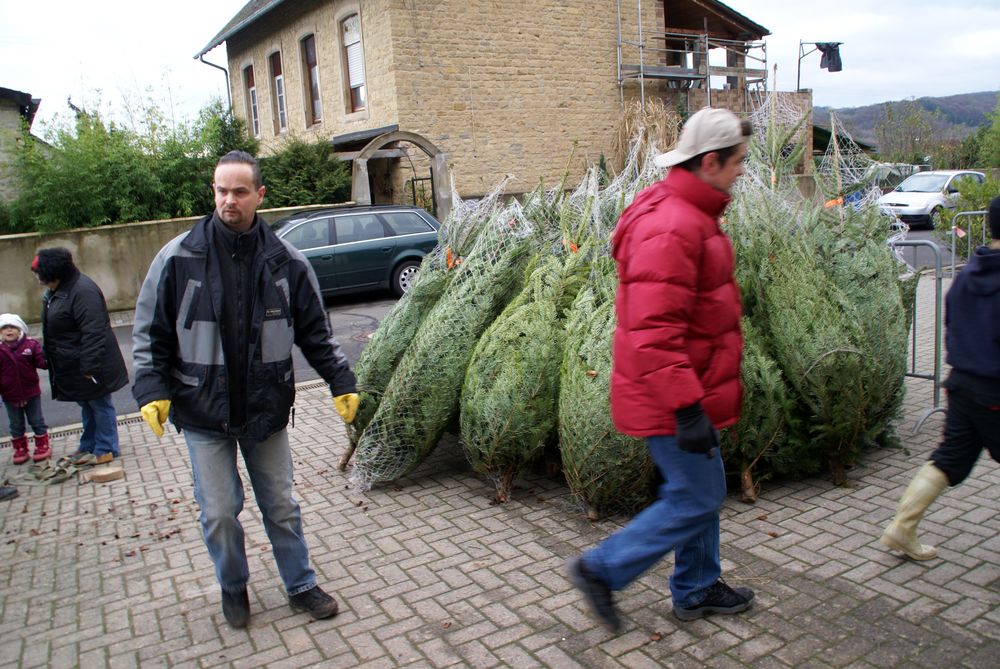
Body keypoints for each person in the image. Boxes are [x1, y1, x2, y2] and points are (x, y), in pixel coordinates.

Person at [132, 150, 361, 630]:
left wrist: (341, 380)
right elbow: (150, 332)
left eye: (239, 191)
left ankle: (300, 584)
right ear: (212, 192)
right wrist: (150, 388)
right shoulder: (178, 258)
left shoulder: (287, 262)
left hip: (265, 408)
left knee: (280, 504)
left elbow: (315, 333)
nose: (228, 201)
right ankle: (233, 587)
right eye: (221, 191)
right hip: (201, 409)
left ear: (260, 195)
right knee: (219, 512)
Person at [567, 107, 755, 632]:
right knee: (697, 495)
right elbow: (653, 330)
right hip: (674, 395)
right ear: (711, 161)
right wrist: (688, 405)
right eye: (738, 161)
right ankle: (600, 569)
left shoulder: (687, 211)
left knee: (700, 493)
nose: (743, 170)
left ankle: (696, 588)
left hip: (689, 389)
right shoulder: (672, 225)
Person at [881, 194, 1000, 560]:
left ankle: (901, 528)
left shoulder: (967, 275)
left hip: (961, 384)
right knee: (952, 458)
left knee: (950, 459)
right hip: (994, 390)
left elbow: (950, 327)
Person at [31, 248, 128, 466]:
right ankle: (89, 444)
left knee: (99, 404)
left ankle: (106, 447)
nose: (36, 277)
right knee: (87, 404)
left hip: (90, 363)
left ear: (52, 272)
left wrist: (90, 366)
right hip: (73, 363)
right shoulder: (55, 291)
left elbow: (94, 331)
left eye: (38, 273)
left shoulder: (83, 291)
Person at [0, 313, 50, 464]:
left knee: (36, 420)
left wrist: (48, 356)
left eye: (12, 327)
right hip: (10, 395)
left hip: (31, 393)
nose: (9, 331)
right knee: (15, 423)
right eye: (5, 328)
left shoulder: (30, 345)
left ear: (20, 329)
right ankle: (20, 449)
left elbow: (41, 363)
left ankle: (42, 445)